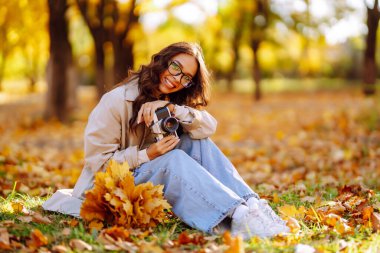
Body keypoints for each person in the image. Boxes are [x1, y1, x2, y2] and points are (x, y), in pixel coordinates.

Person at [42, 42, 289, 239]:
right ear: (162, 60)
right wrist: (148, 155)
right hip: (109, 188)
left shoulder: (169, 101)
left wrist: (171, 107)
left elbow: (208, 128)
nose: (177, 79)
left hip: (146, 175)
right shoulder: (115, 101)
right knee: (173, 159)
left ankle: (253, 207)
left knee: (197, 142)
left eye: (186, 78)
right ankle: (236, 217)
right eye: (175, 67)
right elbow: (98, 163)